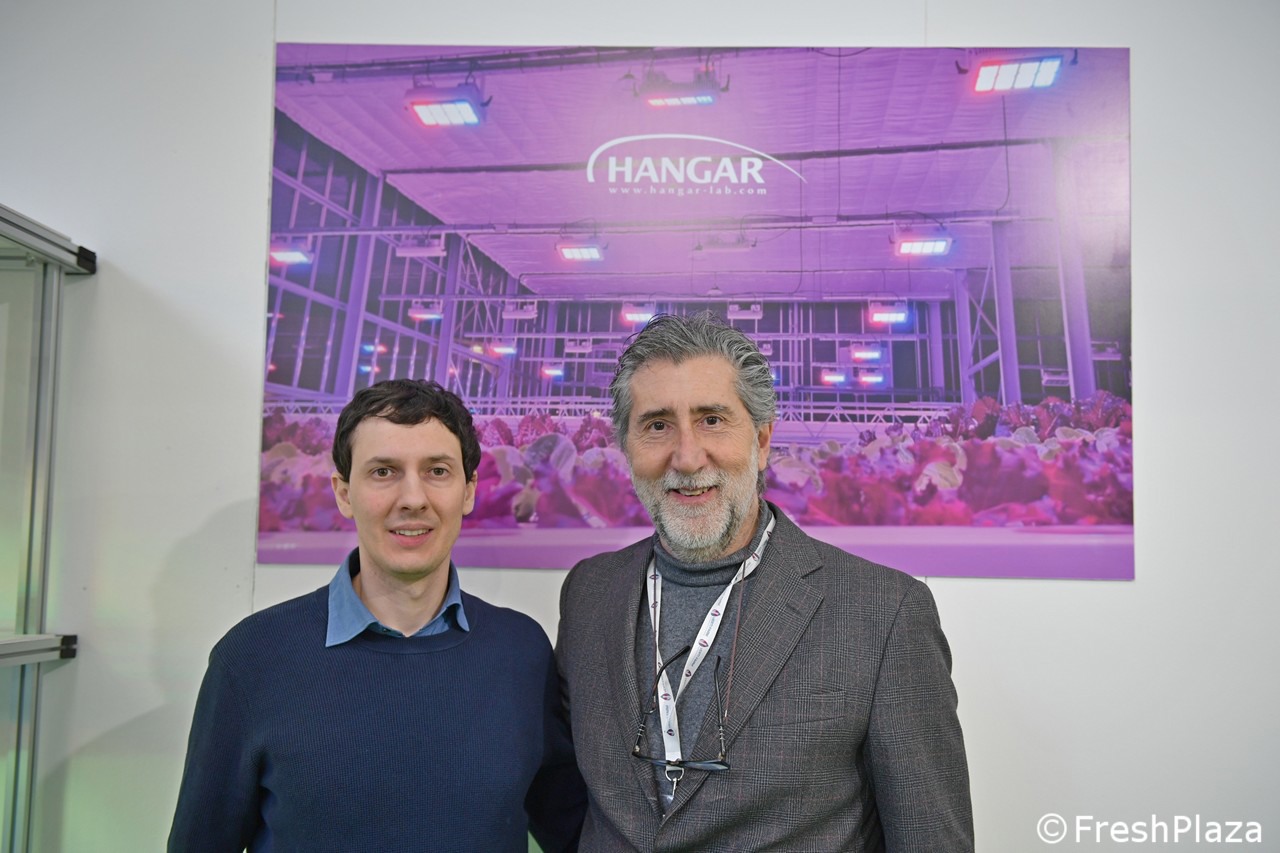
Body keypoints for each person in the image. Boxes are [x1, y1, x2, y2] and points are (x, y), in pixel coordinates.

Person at [555, 313, 973, 851]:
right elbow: (566, 798)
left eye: (712, 420)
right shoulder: (588, 594)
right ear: (627, 446)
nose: (687, 457)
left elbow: (930, 838)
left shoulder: (884, 613)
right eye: (657, 425)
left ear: (763, 439)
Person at [170, 379, 585, 852]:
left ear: (469, 490)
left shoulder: (521, 651)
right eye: (384, 472)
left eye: (437, 471)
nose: (412, 498)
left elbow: (574, 831)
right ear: (344, 493)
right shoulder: (252, 657)